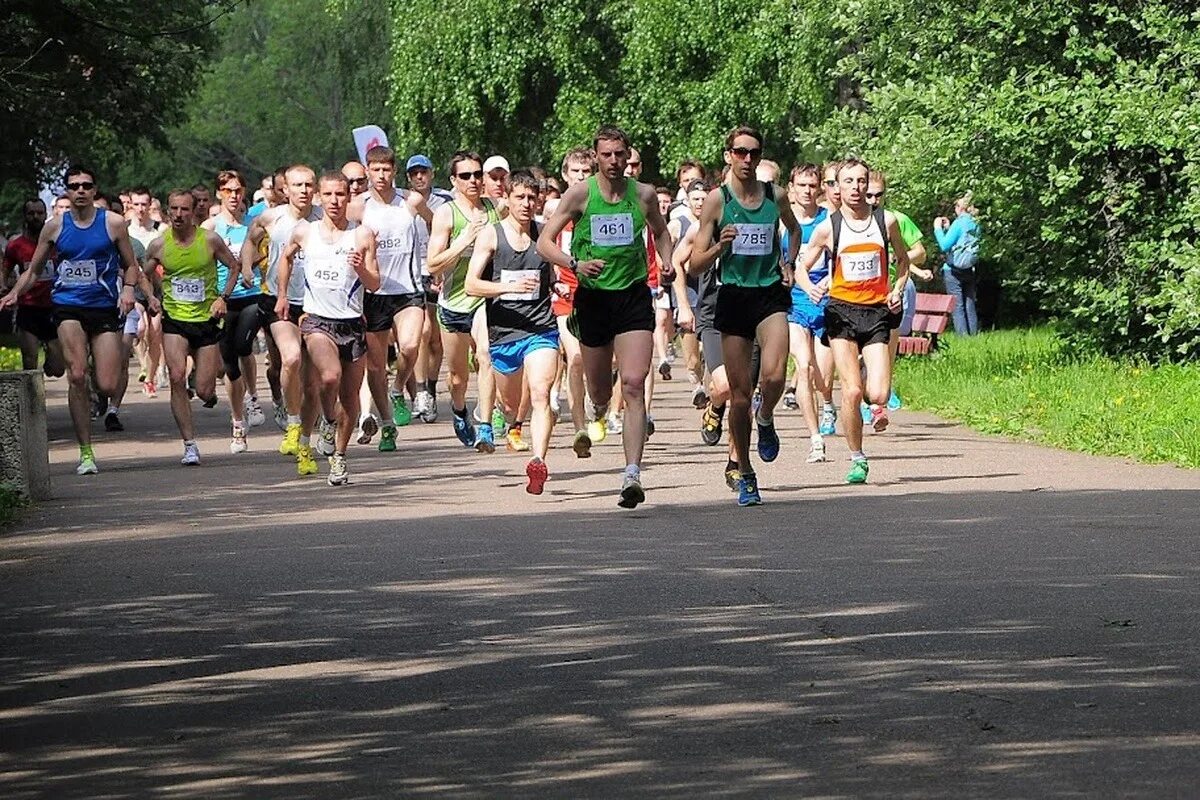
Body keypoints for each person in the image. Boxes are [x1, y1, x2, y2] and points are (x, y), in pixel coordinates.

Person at [537, 125, 674, 508]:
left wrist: (665, 261)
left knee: (633, 383)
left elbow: (661, 232)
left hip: (632, 297)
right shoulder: (580, 195)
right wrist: (575, 264)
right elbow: (544, 243)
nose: (614, 162)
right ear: (596, 157)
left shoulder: (643, 195)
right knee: (600, 390)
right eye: (607, 155)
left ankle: (631, 473)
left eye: (620, 154)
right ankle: (598, 406)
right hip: (593, 299)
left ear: (628, 155)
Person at [0, 165, 144, 475]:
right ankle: (86, 453)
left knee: (106, 384)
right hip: (67, 306)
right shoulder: (54, 227)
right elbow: (34, 270)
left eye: (86, 186)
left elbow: (130, 266)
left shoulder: (113, 223)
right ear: (66, 191)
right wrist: (14, 292)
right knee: (76, 375)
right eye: (74, 186)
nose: (80, 191)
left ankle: (96, 381)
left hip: (104, 307)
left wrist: (129, 290)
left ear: (94, 190)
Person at [690, 126, 801, 506]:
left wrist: (789, 261)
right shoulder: (717, 202)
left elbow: (795, 229)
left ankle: (766, 417)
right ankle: (746, 474)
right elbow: (694, 263)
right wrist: (721, 245)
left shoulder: (775, 195)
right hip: (734, 297)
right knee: (738, 397)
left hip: (769, 294)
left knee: (774, 376)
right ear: (728, 156)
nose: (747, 160)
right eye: (740, 152)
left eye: (754, 153)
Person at [797, 158, 911, 485]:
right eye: (848, 182)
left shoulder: (885, 222)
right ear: (836, 187)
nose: (856, 188)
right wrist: (811, 288)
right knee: (851, 392)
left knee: (878, 394)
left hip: (876, 312)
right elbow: (801, 266)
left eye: (861, 181)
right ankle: (857, 457)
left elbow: (903, 262)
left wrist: (898, 289)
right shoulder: (828, 227)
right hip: (841, 311)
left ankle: (865, 371)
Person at [276, 171, 380, 485]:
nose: (335, 201)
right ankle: (327, 419)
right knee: (329, 375)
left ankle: (339, 457)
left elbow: (375, 283)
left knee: (351, 399)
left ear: (349, 197)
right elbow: (285, 258)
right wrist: (282, 295)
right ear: (320, 197)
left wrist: (361, 269)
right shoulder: (304, 232)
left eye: (341, 195)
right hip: (316, 321)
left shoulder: (361, 235)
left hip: (351, 324)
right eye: (329, 195)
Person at [466, 170, 561, 494]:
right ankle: (509, 423)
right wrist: (505, 287)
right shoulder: (492, 236)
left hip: (540, 329)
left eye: (532, 198)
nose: (526, 203)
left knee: (540, 394)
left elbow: (554, 273)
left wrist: (559, 283)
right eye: (520, 197)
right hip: (505, 333)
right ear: (506, 198)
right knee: (509, 407)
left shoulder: (544, 235)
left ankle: (538, 461)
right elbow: (471, 284)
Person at [141, 189, 241, 465]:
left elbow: (234, 266)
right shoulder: (159, 245)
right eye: (173, 209)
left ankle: (203, 381)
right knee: (176, 376)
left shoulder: (208, 240)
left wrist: (223, 298)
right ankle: (189, 445)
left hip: (206, 321)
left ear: (193, 210)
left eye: (184, 209)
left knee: (205, 391)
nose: (178, 215)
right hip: (175, 320)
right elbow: (142, 276)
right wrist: (151, 297)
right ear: (167, 212)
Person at [241, 164, 324, 474]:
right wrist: (248, 268)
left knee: (313, 383)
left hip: (318, 305)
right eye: (297, 185)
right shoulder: (270, 217)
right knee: (289, 359)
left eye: (308, 185)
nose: (303, 190)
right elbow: (251, 241)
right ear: (283, 190)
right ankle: (292, 424)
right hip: (281, 301)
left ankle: (307, 437)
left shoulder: (325, 217)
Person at [351, 145, 432, 451]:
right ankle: (386, 424)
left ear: (394, 172)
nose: (381, 175)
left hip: (408, 289)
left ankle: (398, 389)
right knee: (374, 366)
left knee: (411, 344)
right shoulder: (358, 206)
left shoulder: (409, 201)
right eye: (376, 169)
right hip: (374, 293)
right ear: (368, 171)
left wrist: (433, 256)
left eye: (387, 170)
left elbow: (435, 222)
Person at [427, 151, 502, 451]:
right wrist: (464, 240)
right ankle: (459, 411)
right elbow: (433, 265)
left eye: (477, 174)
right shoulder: (447, 214)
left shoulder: (495, 209)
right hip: (455, 302)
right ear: (454, 181)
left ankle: (485, 423)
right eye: (466, 176)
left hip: (484, 298)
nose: (473, 181)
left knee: (486, 355)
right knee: (458, 376)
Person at [201, 170, 267, 453]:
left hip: (252, 295)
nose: (234, 196)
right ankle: (237, 422)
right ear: (219, 193)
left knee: (244, 345)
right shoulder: (211, 227)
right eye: (228, 191)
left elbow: (268, 251)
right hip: (222, 299)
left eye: (238, 190)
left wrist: (252, 263)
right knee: (229, 362)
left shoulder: (255, 223)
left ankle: (253, 397)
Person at [782, 163, 835, 463]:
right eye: (801, 185)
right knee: (803, 367)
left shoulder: (829, 220)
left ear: (820, 189)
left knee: (822, 378)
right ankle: (815, 439)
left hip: (826, 299)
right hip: (793, 302)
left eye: (812, 185)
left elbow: (841, 258)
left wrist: (826, 282)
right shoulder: (782, 221)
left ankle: (827, 401)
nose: (807, 191)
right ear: (791, 188)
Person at [866, 170, 932, 411]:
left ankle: (883, 389)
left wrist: (897, 256)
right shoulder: (852, 220)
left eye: (878, 195)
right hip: (859, 294)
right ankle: (868, 388)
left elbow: (921, 252)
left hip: (890, 292)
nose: (873, 201)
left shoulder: (897, 220)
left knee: (888, 345)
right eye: (868, 195)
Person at [406, 154, 452, 423]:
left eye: (423, 172)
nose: (419, 177)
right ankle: (421, 390)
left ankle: (431, 388)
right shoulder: (404, 202)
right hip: (413, 274)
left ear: (432, 174)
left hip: (439, 271)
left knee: (436, 339)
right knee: (421, 332)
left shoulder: (445, 200)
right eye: (414, 173)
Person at [2, 198, 65, 376]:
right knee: (29, 360)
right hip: (28, 307)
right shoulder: (15, 246)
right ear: (25, 216)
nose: (35, 217)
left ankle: (49, 358)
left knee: (58, 369)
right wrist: (4, 287)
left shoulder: (57, 243)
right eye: (31, 213)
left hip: (54, 306)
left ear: (46, 215)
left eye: (39, 213)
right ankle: (32, 399)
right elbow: (5, 269)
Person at [935, 193, 981, 335]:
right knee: (969, 303)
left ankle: (963, 339)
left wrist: (937, 228)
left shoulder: (959, 223)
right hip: (969, 268)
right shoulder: (976, 223)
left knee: (957, 306)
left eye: (956, 205)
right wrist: (949, 229)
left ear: (961, 208)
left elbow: (944, 245)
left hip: (953, 270)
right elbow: (963, 241)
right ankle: (973, 337)